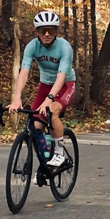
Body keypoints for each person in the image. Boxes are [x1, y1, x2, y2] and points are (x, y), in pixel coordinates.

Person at [8, 11, 77, 168]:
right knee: (34, 127)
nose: (46, 34)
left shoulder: (64, 47)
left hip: (65, 85)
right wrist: (16, 97)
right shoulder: (32, 46)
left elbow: (61, 76)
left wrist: (49, 99)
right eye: (42, 30)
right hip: (45, 85)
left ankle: (59, 154)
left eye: (51, 30)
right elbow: (24, 72)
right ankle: (46, 163)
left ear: (56, 31)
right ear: (36, 32)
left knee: (51, 113)